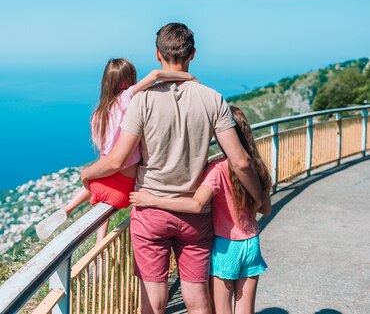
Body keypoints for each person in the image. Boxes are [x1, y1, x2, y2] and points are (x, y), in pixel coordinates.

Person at [80, 23, 265, 314]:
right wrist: (259, 200)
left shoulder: (141, 101)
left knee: (154, 301)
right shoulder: (212, 99)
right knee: (197, 297)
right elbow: (241, 161)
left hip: (150, 210)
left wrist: (87, 174)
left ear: (157, 54)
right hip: (194, 213)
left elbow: (117, 160)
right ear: (193, 54)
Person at [35, 58, 197, 242]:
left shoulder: (98, 114)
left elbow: (105, 154)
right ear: (126, 80)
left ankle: (68, 209)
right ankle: (98, 240)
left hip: (102, 176)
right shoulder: (126, 98)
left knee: (100, 183)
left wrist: (88, 174)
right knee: (108, 194)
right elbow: (155, 75)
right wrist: (188, 76)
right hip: (125, 183)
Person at [130, 106, 272, 314]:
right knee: (245, 309)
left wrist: (152, 199)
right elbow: (265, 209)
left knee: (222, 310)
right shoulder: (258, 168)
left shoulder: (217, 169)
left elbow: (196, 205)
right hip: (251, 242)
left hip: (226, 245)